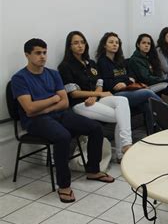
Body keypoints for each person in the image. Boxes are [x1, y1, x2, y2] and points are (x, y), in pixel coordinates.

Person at [12, 39, 114, 203]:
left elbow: (65, 102)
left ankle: (93, 170)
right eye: (38, 53)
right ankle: (64, 185)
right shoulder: (19, 78)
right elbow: (30, 109)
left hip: (57, 114)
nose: (43, 56)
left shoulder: (53, 73)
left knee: (95, 128)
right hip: (34, 121)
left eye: (44, 52)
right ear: (27, 55)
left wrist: (46, 106)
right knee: (63, 136)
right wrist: (53, 99)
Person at [58, 31, 133, 161]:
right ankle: (123, 153)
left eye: (82, 42)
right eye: (76, 43)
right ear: (69, 47)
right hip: (80, 104)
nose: (80, 45)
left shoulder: (91, 63)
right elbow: (74, 93)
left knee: (122, 100)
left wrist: (96, 96)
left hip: (96, 100)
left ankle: (126, 144)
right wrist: (98, 94)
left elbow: (99, 83)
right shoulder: (65, 66)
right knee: (121, 116)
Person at [96, 32, 162, 134]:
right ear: (104, 45)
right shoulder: (102, 62)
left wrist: (124, 83)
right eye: (111, 42)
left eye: (117, 43)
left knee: (146, 104)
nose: (114, 44)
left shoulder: (120, 60)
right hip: (113, 95)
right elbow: (107, 83)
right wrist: (123, 82)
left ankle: (152, 132)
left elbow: (131, 78)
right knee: (147, 93)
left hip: (127, 90)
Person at [127, 33, 168, 117]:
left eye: (149, 43)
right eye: (144, 43)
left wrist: (161, 78)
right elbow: (145, 78)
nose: (146, 45)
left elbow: (158, 72)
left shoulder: (150, 56)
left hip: (155, 81)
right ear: (138, 45)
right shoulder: (135, 59)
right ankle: (162, 112)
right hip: (146, 86)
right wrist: (161, 80)